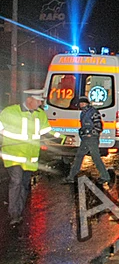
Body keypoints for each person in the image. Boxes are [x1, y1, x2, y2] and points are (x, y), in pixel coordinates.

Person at [0, 89, 69, 226]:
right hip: (13, 155)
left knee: (25, 185)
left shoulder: (40, 115)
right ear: (29, 100)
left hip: (30, 157)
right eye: (38, 101)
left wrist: (63, 139)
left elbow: (46, 131)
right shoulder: (10, 112)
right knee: (16, 182)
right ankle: (14, 214)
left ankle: (19, 211)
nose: (40, 104)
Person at [63, 96, 111, 187]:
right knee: (79, 157)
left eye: (82, 103)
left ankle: (105, 176)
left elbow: (99, 126)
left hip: (91, 139)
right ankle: (71, 177)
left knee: (94, 157)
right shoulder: (84, 113)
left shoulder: (93, 112)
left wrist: (91, 133)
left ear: (86, 103)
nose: (81, 105)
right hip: (86, 139)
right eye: (80, 103)